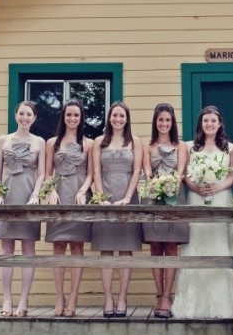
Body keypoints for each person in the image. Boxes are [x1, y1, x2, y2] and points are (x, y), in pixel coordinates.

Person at [172, 105, 233, 318]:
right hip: (197, 198)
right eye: (206, 120)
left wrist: (217, 187)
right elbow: (186, 175)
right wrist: (197, 188)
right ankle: (193, 306)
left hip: (221, 197)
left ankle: (226, 304)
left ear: (219, 124)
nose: (209, 124)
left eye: (213, 121)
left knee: (222, 246)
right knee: (197, 244)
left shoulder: (230, 148)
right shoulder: (191, 147)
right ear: (201, 123)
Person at [0, 101, 46, 318]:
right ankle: (7, 298)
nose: (25, 117)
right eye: (21, 113)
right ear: (15, 115)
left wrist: (35, 195)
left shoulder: (39, 142)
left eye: (29, 114)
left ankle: (24, 299)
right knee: (6, 251)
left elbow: (41, 173)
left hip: (28, 195)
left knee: (28, 250)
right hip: (7, 195)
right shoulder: (3, 140)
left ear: (34, 118)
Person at [91, 101, 143, 318]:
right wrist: (101, 198)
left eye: (122, 116)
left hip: (127, 197)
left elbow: (137, 171)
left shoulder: (135, 142)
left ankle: (122, 296)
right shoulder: (98, 142)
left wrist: (128, 198)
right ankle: (108, 297)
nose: (118, 119)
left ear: (127, 118)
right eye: (114, 116)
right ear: (109, 118)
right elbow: (95, 171)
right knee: (106, 249)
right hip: (106, 197)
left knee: (125, 249)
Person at [44, 99, 94, 317]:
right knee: (58, 247)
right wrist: (51, 190)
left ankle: (73, 296)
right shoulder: (52, 143)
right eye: (69, 115)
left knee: (77, 247)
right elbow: (46, 172)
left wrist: (83, 191)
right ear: (63, 117)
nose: (72, 119)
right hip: (58, 195)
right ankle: (59, 295)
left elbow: (92, 173)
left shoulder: (89, 144)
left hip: (78, 196)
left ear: (81, 118)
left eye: (76, 115)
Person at [141, 103, 189, 319]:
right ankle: (158, 294)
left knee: (170, 247)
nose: (164, 123)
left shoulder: (181, 146)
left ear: (172, 123)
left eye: (168, 120)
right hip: (152, 197)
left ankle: (167, 297)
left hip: (174, 197)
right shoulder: (148, 147)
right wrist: (156, 185)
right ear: (155, 122)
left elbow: (180, 172)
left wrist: (170, 183)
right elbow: (147, 171)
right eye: (160, 120)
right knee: (154, 248)